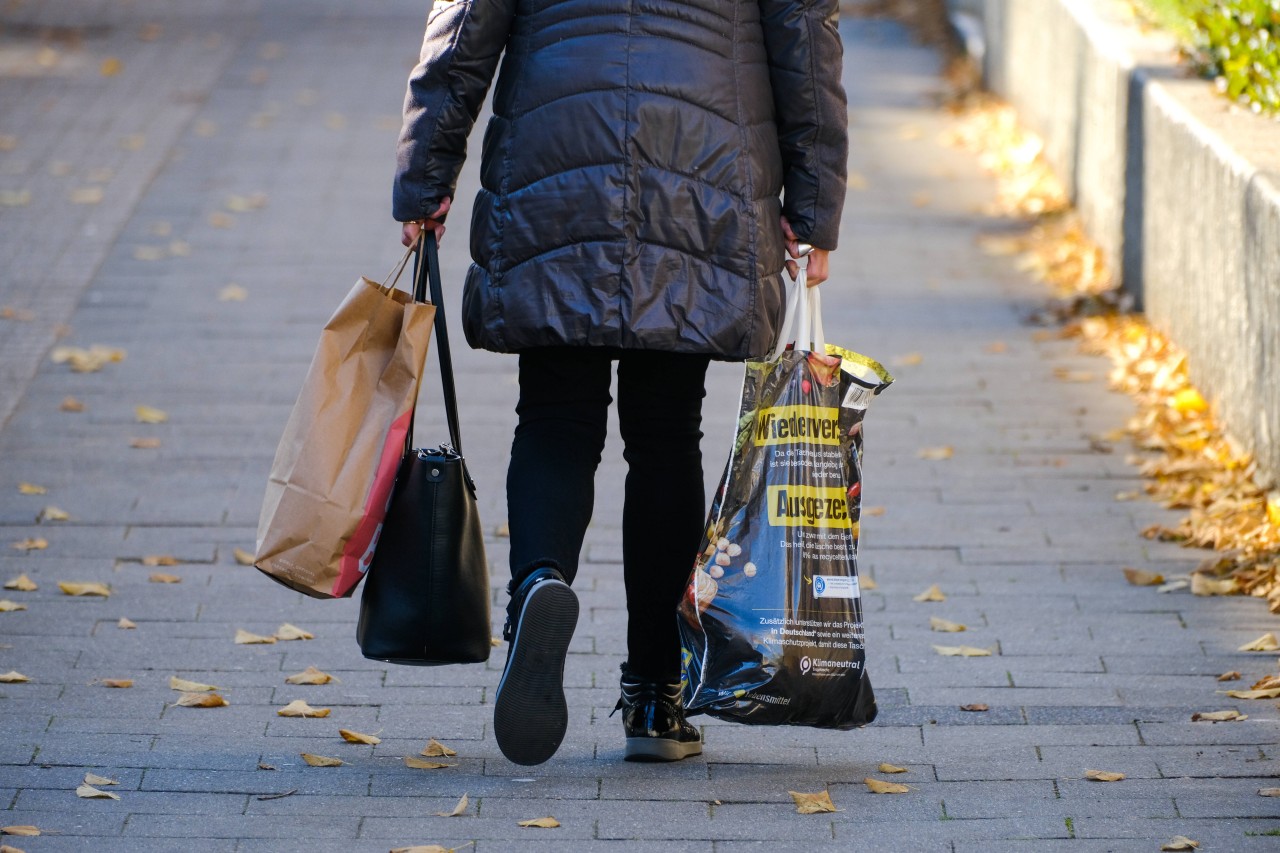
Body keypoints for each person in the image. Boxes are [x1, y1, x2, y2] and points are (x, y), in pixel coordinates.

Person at [394, 0, 847, 765]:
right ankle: (653, 696)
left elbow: (466, 26)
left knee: (554, 416)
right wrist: (813, 205)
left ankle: (540, 583)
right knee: (668, 434)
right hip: (703, 158)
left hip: (556, 148)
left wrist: (425, 174)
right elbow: (806, 39)